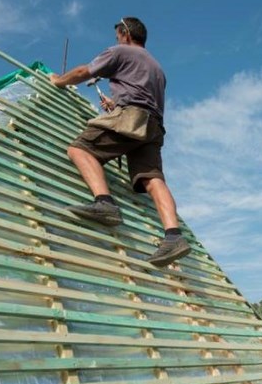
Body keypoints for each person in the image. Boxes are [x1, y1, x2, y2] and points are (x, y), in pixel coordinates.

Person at [49, 16, 190, 268]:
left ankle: (104, 203)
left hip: (132, 118)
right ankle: (173, 236)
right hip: (153, 128)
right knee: (152, 179)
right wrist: (116, 105)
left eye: (118, 36)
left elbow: (84, 72)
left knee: (79, 149)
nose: (116, 40)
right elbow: (143, 98)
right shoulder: (157, 68)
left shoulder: (120, 51)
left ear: (125, 33)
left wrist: (58, 80)